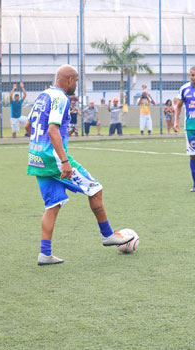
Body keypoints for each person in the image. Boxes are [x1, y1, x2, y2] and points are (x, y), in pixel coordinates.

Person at [24, 64, 133, 265]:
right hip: (54, 159)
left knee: (53, 205)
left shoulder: (42, 96)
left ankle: (45, 253)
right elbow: (52, 130)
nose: (76, 86)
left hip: (37, 159)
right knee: (95, 190)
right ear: (70, 80)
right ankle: (107, 234)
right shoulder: (61, 98)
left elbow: (28, 126)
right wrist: (64, 161)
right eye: (76, 81)